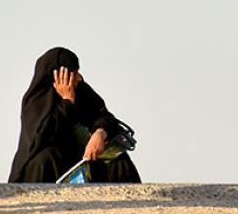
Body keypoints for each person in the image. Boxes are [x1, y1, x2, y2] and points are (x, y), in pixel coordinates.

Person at [8, 47, 141, 184]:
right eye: (72, 73)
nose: (78, 78)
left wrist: (100, 133)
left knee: (118, 160)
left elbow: (105, 117)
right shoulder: (35, 101)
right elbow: (40, 138)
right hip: (49, 165)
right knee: (45, 158)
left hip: (79, 160)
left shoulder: (82, 91)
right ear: (58, 76)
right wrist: (67, 102)